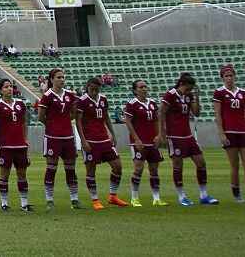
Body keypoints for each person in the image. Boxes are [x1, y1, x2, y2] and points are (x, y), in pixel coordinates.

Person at [161, 72, 218, 205]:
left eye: (190, 90)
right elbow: (161, 114)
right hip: (174, 136)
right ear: (180, 84)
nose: (188, 91)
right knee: (178, 165)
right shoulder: (170, 95)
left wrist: (196, 98)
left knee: (201, 162)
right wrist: (162, 134)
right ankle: (181, 197)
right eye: (186, 89)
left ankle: (203, 195)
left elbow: (196, 113)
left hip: (188, 135)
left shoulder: (189, 95)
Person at [212, 65, 245, 203]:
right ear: (222, 78)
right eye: (226, 76)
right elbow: (217, 114)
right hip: (229, 131)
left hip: (243, 131)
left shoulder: (243, 93)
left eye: (231, 75)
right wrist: (221, 133)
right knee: (234, 164)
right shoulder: (219, 93)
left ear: (235, 76)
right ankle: (236, 194)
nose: (229, 78)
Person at [75, 75, 127, 210]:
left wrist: (113, 134)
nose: (94, 92)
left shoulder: (103, 99)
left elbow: (106, 117)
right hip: (90, 140)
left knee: (117, 166)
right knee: (91, 170)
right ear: (87, 88)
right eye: (91, 89)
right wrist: (83, 141)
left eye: (96, 90)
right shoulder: (82, 101)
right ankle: (95, 199)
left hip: (104, 139)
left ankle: (113, 196)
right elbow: (78, 122)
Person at [34, 67, 80, 209]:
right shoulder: (47, 96)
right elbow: (41, 117)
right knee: (51, 168)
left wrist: (64, 121)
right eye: (58, 77)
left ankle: (74, 200)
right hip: (52, 136)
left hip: (67, 136)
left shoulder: (69, 95)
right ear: (52, 79)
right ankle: (49, 200)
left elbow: (73, 114)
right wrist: (54, 124)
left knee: (70, 168)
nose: (61, 80)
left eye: (63, 77)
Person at [0, 78, 32, 211]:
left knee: (22, 175)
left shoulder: (20, 104)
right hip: (6, 145)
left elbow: (24, 122)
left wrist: (24, 139)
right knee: (4, 175)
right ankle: (4, 203)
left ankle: (24, 203)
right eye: (6, 87)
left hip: (20, 145)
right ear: (0, 90)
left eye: (11, 87)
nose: (9, 89)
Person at [121, 79, 166, 206]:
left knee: (154, 169)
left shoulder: (152, 103)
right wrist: (136, 139)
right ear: (135, 90)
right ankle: (134, 197)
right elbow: (128, 122)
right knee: (139, 169)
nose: (144, 89)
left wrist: (159, 135)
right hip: (139, 142)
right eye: (141, 87)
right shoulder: (132, 104)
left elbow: (157, 120)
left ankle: (156, 198)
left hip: (152, 140)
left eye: (145, 86)